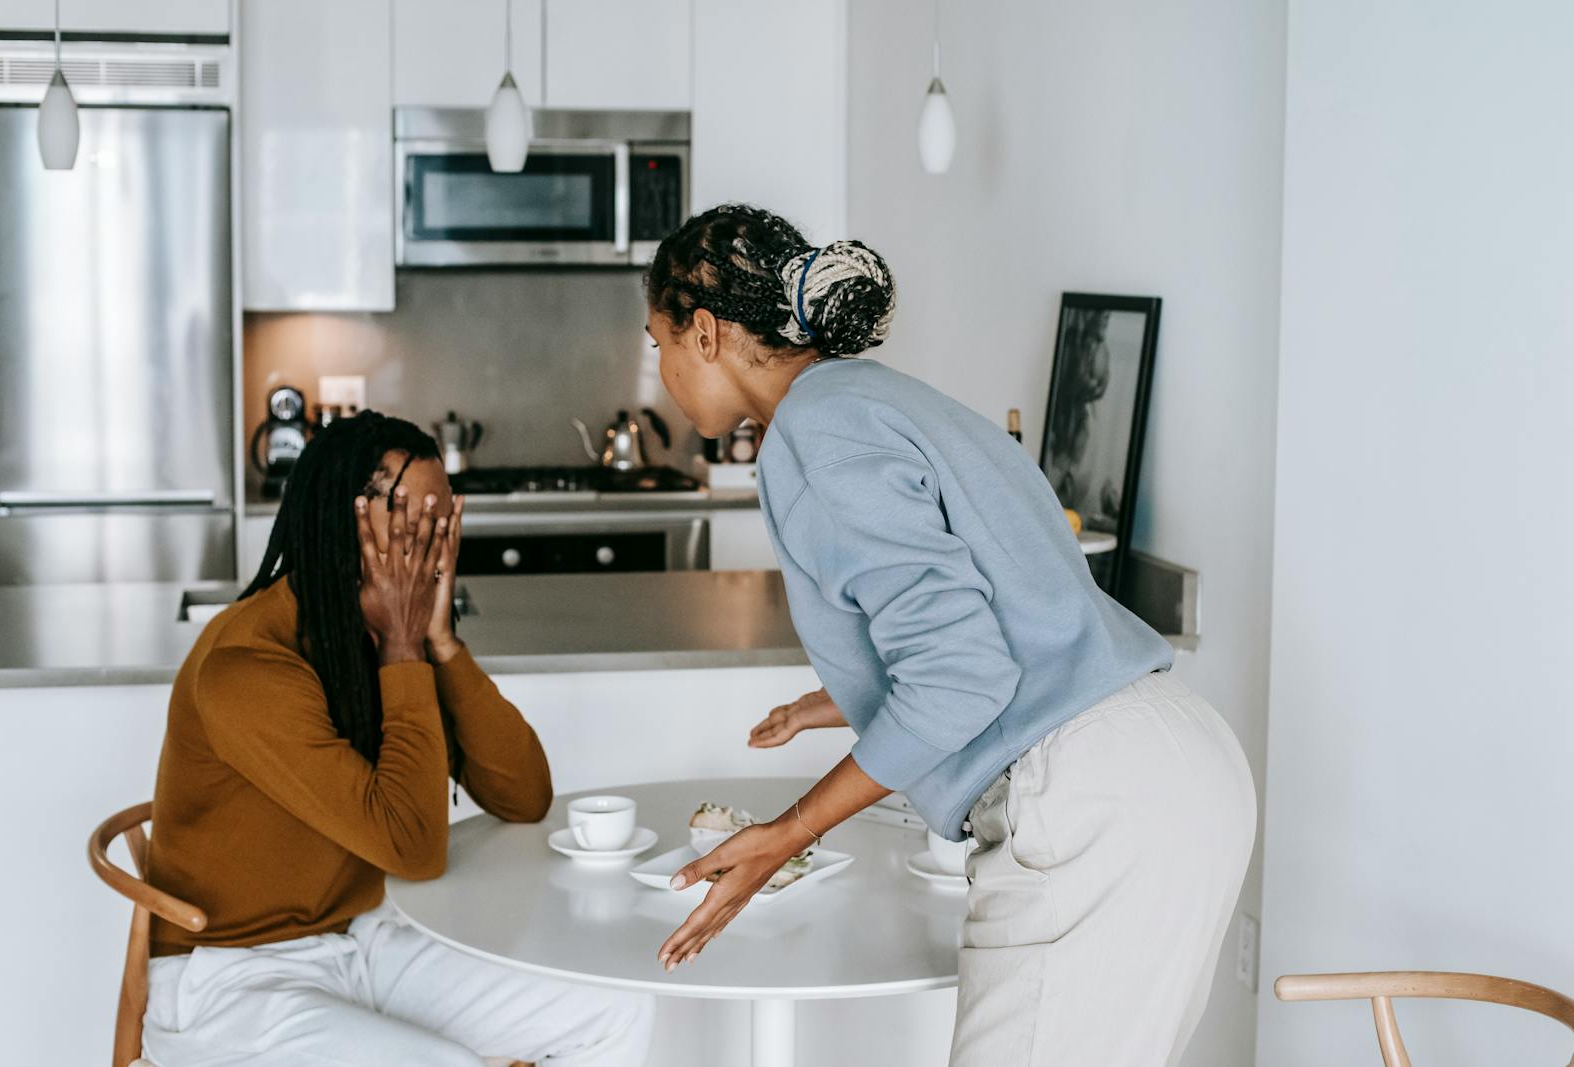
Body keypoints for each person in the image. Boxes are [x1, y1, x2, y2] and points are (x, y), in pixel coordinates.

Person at [642, 204, 1255, 1066]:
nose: (660, 369)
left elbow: (962, 674)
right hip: (1172, 762)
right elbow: (995, 614)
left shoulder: (813, 435)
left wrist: (789, 831)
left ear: (704, 332)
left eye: (657, 341)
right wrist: (835, 701)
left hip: (1088, 798)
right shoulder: (874, 397)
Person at [142, 412, 653, 1067]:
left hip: (362, 939)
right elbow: (414, 848)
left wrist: (440, 643)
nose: (434, 545)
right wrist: (406, 646)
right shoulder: (247, 667)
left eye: (444, 523)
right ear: (340, 517)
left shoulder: (376, 634)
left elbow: (523, 794)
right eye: (414, 520)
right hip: (233, 978)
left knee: (615, 1008)